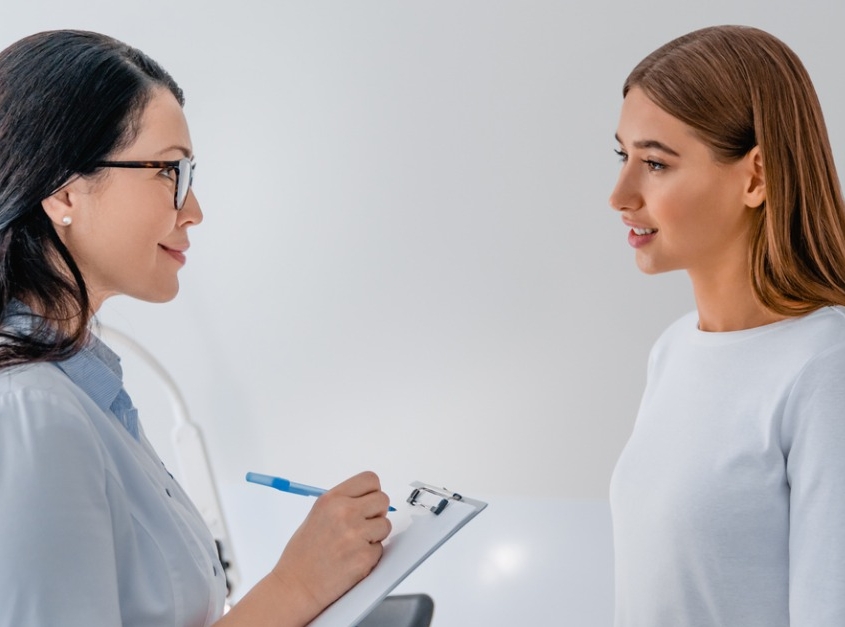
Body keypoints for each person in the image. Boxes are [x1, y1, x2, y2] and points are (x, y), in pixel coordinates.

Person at [0, 29, 392, 627]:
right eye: (168, 171)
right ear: (64, 192)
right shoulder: (32, 413)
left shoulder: (85, 393)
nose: (194, 209)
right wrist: (295, 586)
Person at [608, 25, 845, 626]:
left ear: (756, 177)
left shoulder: (826, 368)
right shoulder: (672, 352)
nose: (620, 194)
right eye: (623, 155)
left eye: (655, 163)